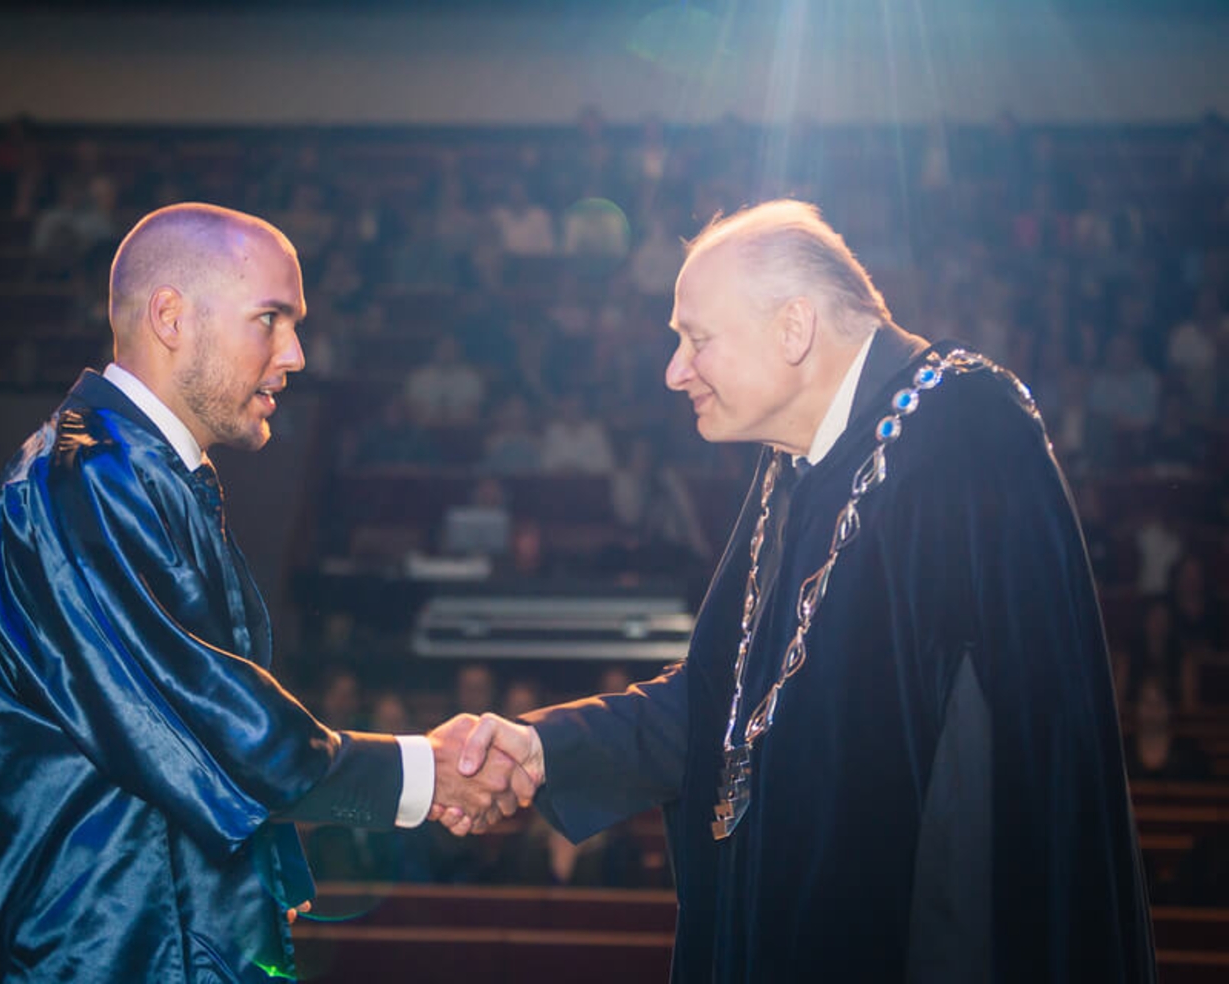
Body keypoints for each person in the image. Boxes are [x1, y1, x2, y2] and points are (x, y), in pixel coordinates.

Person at [453, 200, 1155, 982]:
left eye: (697, 339)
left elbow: (1008, 775)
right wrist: (543, 747)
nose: (675, 371)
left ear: (794, 328)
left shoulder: (971, 431)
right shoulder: (795, 459)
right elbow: (725, 703)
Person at [0, 203, 530, 983]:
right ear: (170, 318)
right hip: (97, 954)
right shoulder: (80, 483)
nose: (295, 354)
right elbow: (199, 716)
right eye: (270, 319)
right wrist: (422, 772)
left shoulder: (136, 477)